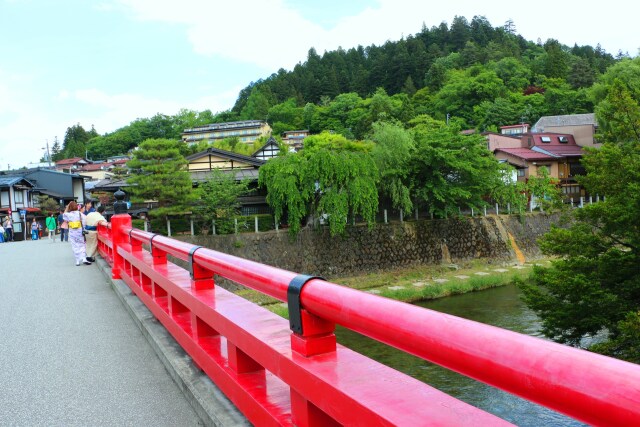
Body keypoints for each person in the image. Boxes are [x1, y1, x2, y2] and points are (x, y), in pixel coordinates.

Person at [63, 201, 92, 266]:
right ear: (77, 207)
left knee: (75, 246)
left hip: (72, 232)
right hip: (79, 232)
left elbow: (64, 216)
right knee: (82, 245)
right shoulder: (80, 214)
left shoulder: (68, 214)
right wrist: (83, 228)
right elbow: (84, 222)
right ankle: (84, 258)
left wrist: (67, 207)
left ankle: (77, 261)